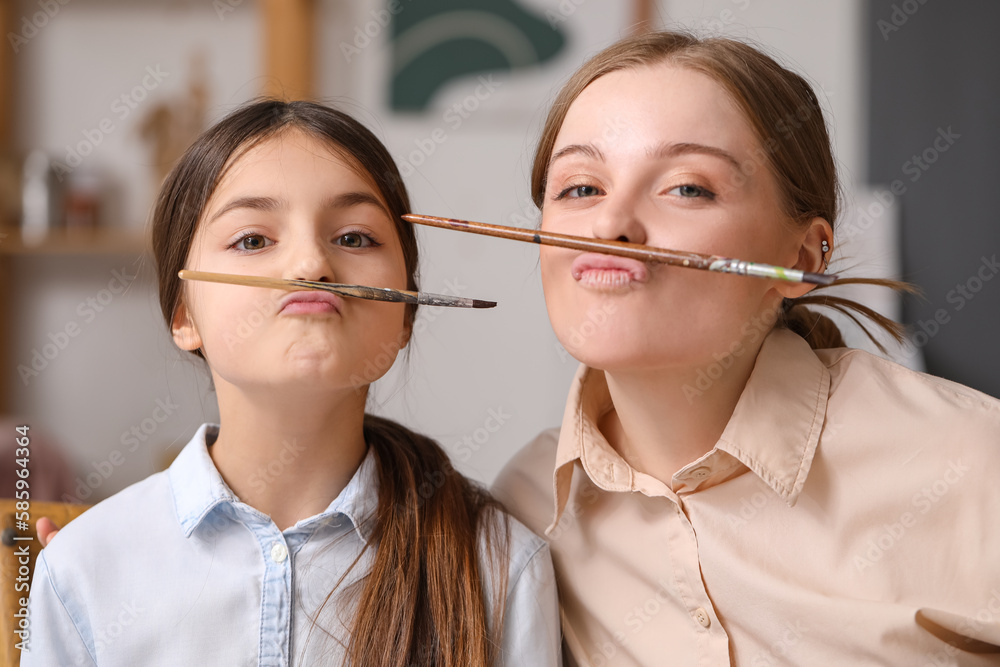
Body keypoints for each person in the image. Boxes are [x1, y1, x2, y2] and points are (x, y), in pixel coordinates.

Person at [493, 30, 1000, 666]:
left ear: (801, 256)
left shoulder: (974, 466)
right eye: (580, 188)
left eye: (686, 188)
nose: (610, 224)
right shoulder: (523, 508)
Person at [24, 100, 560, 666]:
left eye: (354, 238)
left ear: (405, 313)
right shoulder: (85, 567)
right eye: (253, 241)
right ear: (183, 314)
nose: (310, 265)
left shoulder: (501, 566)